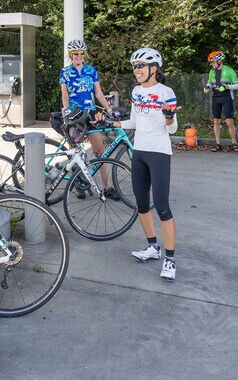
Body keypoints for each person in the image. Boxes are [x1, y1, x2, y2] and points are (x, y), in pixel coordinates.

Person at [110, 48, 181, 281]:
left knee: (162, 207)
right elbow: (134, 120)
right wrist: (115, 123)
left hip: (159, 153)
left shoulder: (165, 92)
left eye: (140, 65)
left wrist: (169, 117)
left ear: (154, 68)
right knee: (141, 205)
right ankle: (153, 247)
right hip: (139, 152)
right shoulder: (136, 91)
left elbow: (172, 129)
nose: (136, 70)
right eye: (135, 66)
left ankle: (170, 260)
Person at [59, 39, 118, 199]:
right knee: (76, 152)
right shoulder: (65, 72)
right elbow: (65, 94)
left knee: (100, 150)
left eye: (81, 53)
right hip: (73, 115)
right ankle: (79, 184)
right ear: (70, 55)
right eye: (75, 53)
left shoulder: (91, 71)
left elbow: (98, 93)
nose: (78, 56)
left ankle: (108, 187)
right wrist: (65, 110)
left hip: (90, 113)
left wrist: (109, 109)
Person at [203, 50, 238, 152]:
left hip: (227, 96)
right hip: (216, 97)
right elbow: (210, 82)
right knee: (216, 121)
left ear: (219, 60)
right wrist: (207, 87)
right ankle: (218, 143)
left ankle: (234, 143)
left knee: (229, 121)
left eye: (213, 62)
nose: (211, 65)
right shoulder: (212, 71)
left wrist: (227, 86)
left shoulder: (229, 70)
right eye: (210, 63)